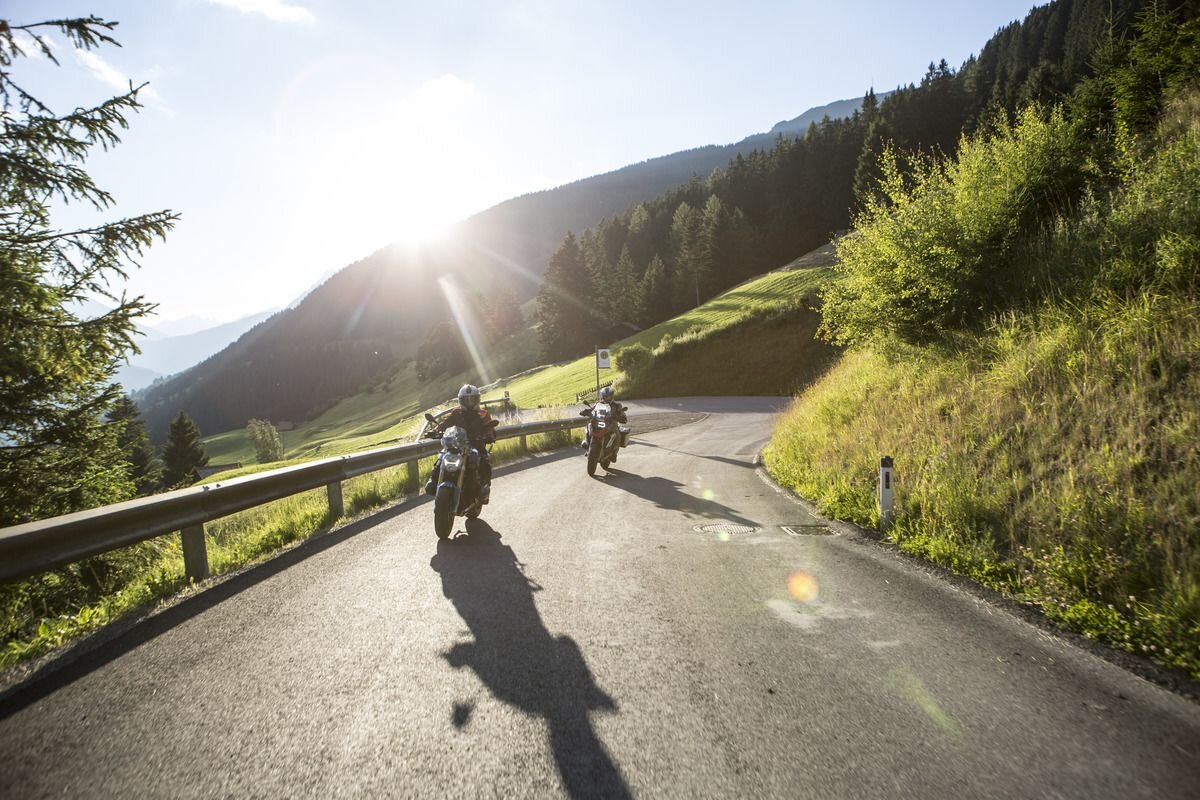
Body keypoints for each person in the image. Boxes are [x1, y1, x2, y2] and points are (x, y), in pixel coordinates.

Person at [425, 384, 496, 503]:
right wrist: (436, 430)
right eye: (466, 400)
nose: (470, 403)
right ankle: (433, 482)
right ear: (461, 400)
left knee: (484, 461)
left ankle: (484, 489)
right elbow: (446, 423)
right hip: (458, 444)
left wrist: (489, 435)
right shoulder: (456, 412)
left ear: (477, 399)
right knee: (441, 457)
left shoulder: (483, 414)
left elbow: (490, 428)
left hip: (476, 445)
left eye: (472, 399)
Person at [579, 385, 628, 459]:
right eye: (604, 396)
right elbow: (592, 409)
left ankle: (614, 453)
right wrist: (586, 411)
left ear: (612, 396)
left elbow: (622, 415)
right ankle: (587, 444)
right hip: (599, 423)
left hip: (611, 424)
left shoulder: (617, 405)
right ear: (601, 396)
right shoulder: (598, 404)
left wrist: (620, 417)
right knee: (589, 426)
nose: (606, 398)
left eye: (608, 396)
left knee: (617, 433)